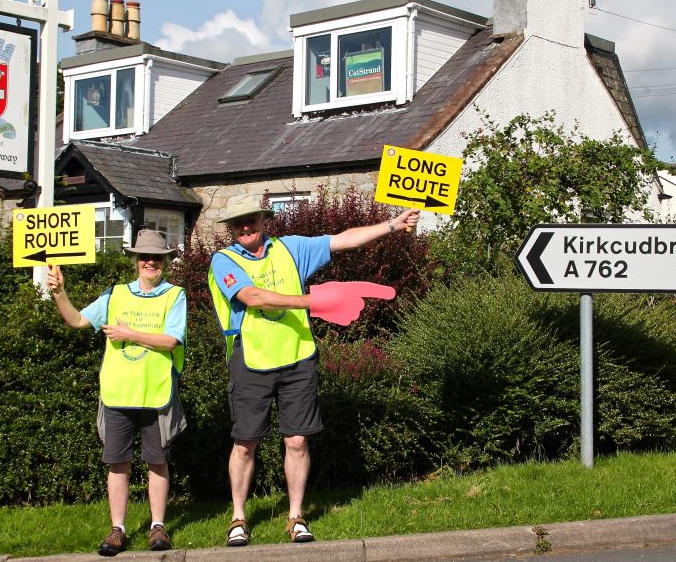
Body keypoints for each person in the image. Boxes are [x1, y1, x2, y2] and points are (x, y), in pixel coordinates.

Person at [208, 194, 419, 547]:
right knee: (245, 443)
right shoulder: (223, 260)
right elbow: (253, 297)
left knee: (297, 440)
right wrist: (314, 301)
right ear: (230, 228)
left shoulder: (291, 248)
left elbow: (343, 239)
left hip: (298, 355)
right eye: (237, 223)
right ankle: (238, 519)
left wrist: (392, 225)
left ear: (264, 220)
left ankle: (295, 516)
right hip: (251, 360)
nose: (245, 227)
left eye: (251, 220)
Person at [47, 229, 187, 556]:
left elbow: (171, 340)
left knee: (157, 462)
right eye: (144, 256)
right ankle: (118, 530)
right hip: (117, 393)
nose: (150, 261)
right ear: (135, 260)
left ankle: (158, 527)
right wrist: (59, 293)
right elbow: (79, 320)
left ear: (165, 260)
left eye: (156, 256)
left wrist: (129, 333)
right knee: (117, 463)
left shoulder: (175, 296)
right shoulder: (115, 295)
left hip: (156, 393)